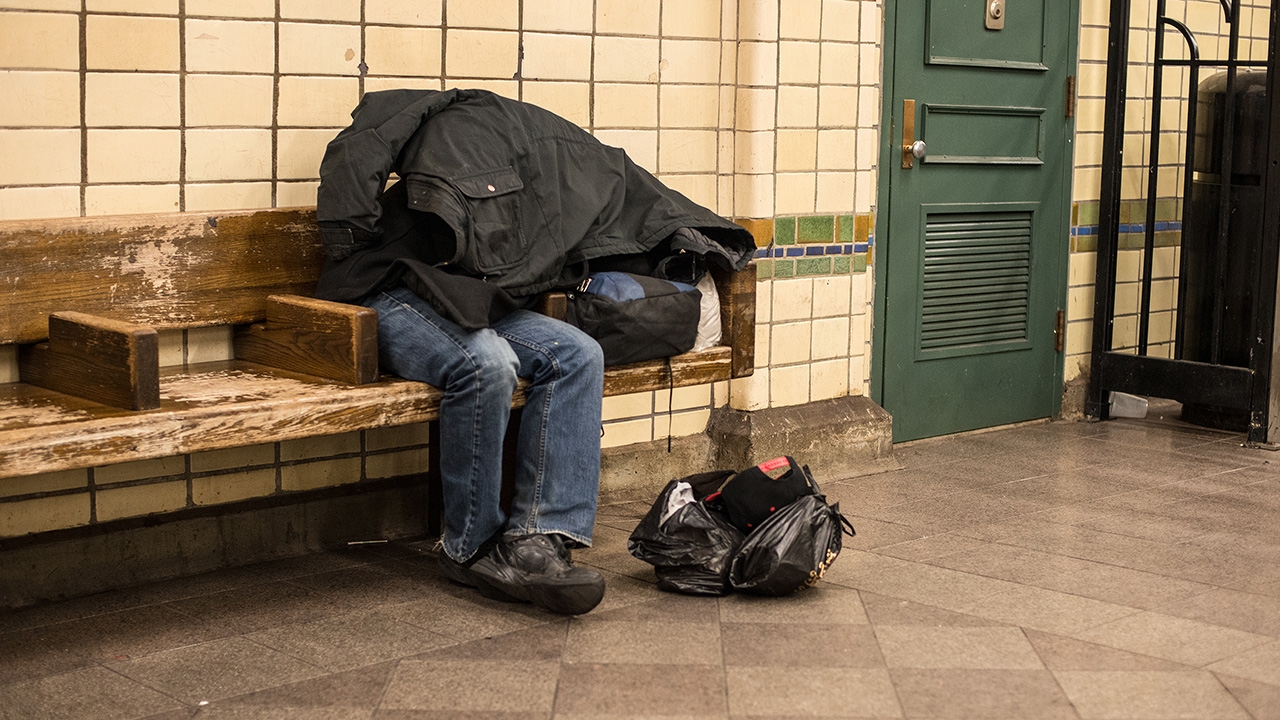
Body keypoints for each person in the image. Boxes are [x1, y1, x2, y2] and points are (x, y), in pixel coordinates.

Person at [364, 284, 607, 616]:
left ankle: (537, 539)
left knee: (579, 354)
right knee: (486, 366)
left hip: (467, 297)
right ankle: (471, 547)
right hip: (388, 290)